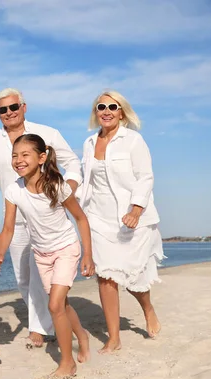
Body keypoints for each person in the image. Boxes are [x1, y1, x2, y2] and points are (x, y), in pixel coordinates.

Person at [0, 88, 82, 348]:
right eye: (3, 109)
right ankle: (46, 323)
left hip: (47, 217)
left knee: (40, 277)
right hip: (15, 218)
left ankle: (40, 328)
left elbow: (74, 163)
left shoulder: (48, 134)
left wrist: (64, 192)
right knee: (23, 278)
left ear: (24, 107)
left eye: (14, 107)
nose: (9, 113)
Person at [0, 134, 94, 377]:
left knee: (54, 305)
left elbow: (80, 218)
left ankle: (67, 363)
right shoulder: (13, 190)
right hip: (41, 254)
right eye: (15, 155)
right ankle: (82, 335)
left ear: (41, 157)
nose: (18, 160)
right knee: (62, 306)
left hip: (66, 249)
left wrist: (88, 255)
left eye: (25, 155)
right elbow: (7, 229)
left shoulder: (57, 186)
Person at [78, 90, 164, 354]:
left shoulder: (133, 141)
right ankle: (113, 337)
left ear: (121, 112)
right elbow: (85, 182)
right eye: (100, 107)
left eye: (112, 107)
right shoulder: (89, 143)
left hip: (131, 218)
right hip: (99, 219)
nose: (106, 111)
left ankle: (147, 308)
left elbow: (145, 177)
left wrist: (136, 210)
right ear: (96, 112)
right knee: (106, 276)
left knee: (134, 277)